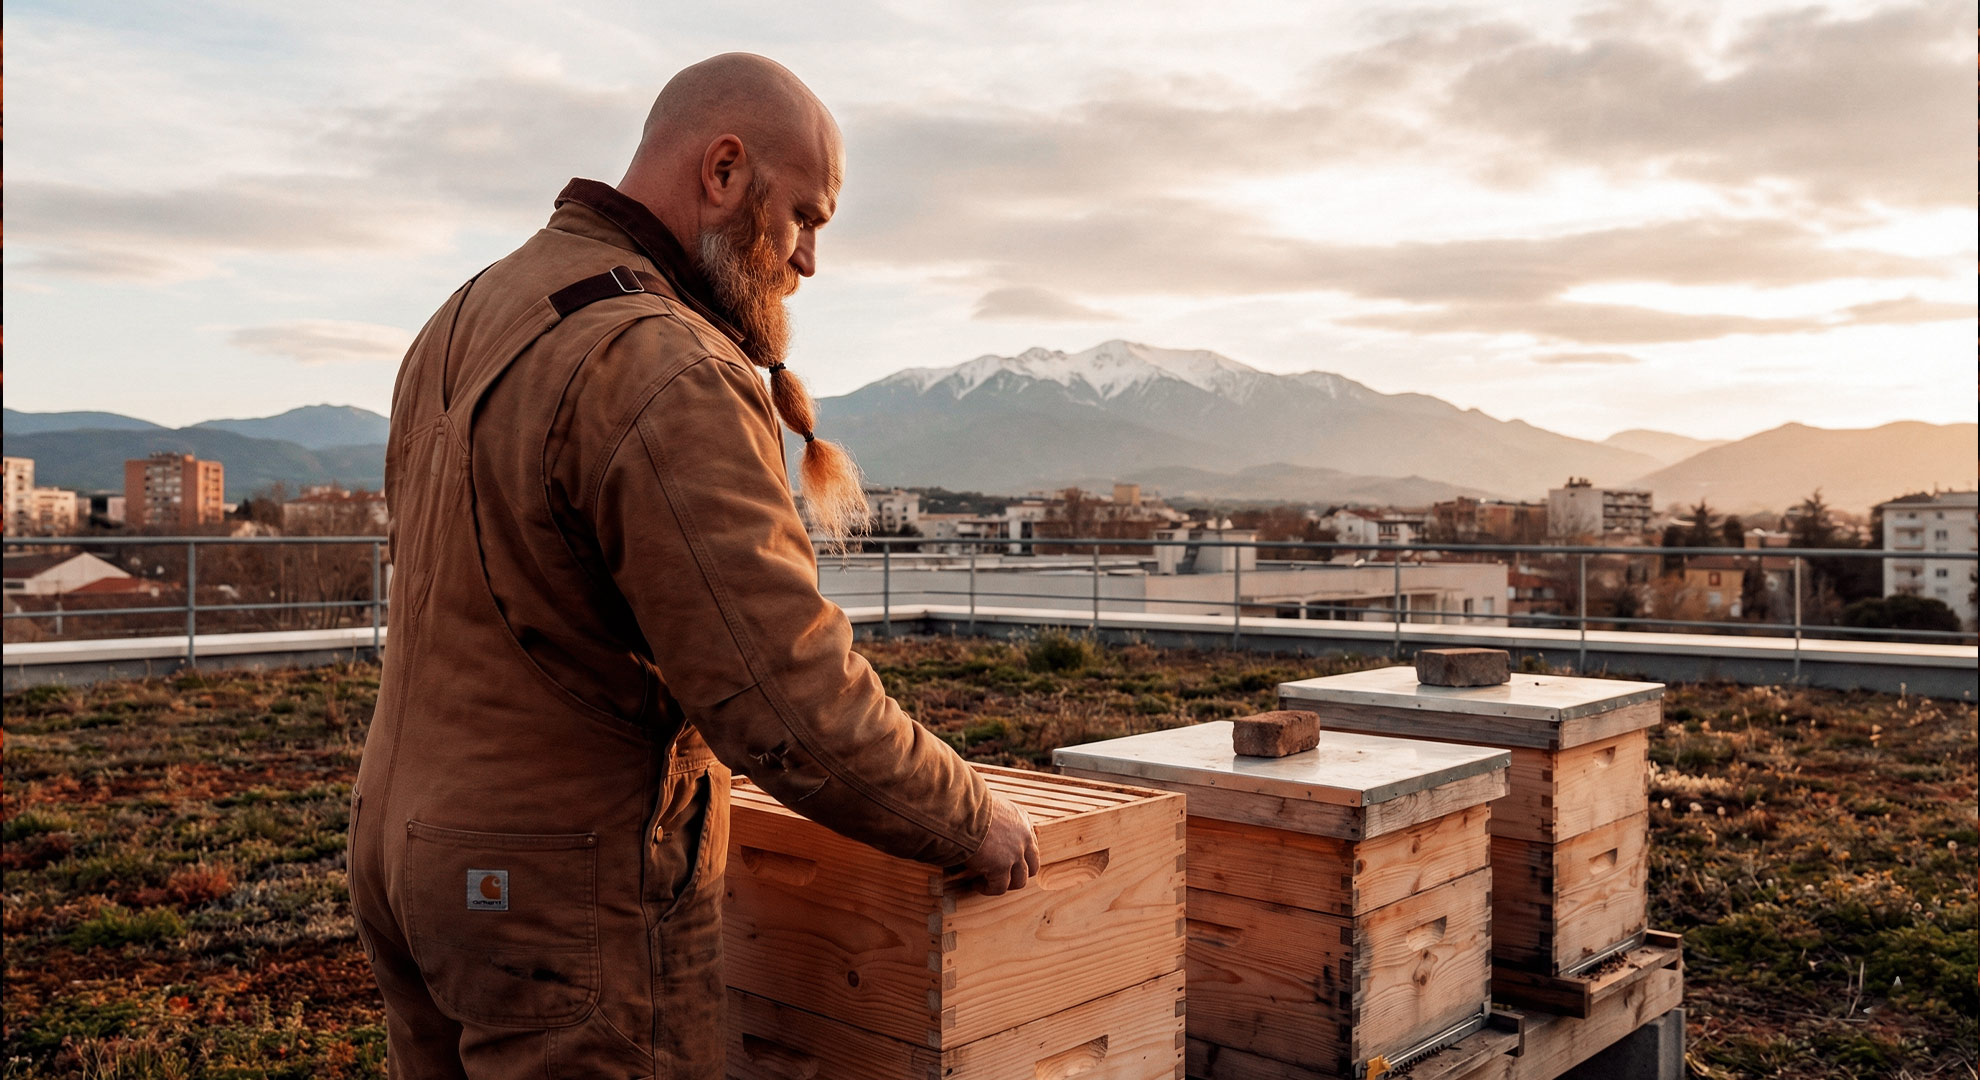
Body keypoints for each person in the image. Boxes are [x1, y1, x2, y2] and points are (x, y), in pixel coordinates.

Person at [346, 53, 1041, 1079]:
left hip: (407, 859)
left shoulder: (469, 313)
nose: (808, 261)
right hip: (561, 898)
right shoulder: (662, 363)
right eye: (805, 218)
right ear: (722, 172)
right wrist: (970, 817)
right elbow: (785, 695)